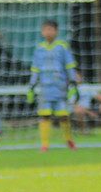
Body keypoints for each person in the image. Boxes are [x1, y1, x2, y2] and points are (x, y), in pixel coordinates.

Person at [27, 20, 79, 151]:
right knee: (45, 114)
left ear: (56, 31)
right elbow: (35, 68)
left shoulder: (62, 47)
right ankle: (45, 144)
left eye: (50, 29)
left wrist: (73, 82)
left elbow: (69, 65)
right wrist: (32, 85)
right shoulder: (39, 49)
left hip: (60, 87)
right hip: (45, 88)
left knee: (63, 114)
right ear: (42, 32)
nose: (48, 32)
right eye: (45, 29)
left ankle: (69, 140)